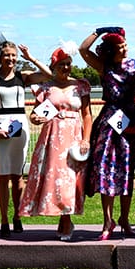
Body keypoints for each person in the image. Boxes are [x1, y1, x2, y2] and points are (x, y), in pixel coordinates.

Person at [18, 47, 92, 240]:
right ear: (54, 66)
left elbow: (87, 115)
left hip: (74, 137)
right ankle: (64, 218)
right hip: (53, 137)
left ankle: (66, 219)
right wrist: (35, 119)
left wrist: (86, 139)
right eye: (62, 64)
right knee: (56, 178)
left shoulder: (80, 85)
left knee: (71, 178)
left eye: (68, 63)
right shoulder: (46, 87)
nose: (66, 67)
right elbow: (35, 113)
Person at [0, 35, 50, 238]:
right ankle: (3, 219)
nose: (10, 59)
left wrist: (31, 58)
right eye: (7, 56)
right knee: (3, 176)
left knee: (17, 175)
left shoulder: (24, 76)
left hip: (20, 127)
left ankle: (18, 215)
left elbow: (47, 75)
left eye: (14, 56)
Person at [80, 27, 135, 240]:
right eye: (120, 47)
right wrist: (99, 31)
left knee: (126, 172)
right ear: (110, 51)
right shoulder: (104, 67)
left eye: (126, 45)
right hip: (108, 123)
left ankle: (125, 219)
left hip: (130, 121)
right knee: (105, 171)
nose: (125, 49)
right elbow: (83, 49)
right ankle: (107, 221)